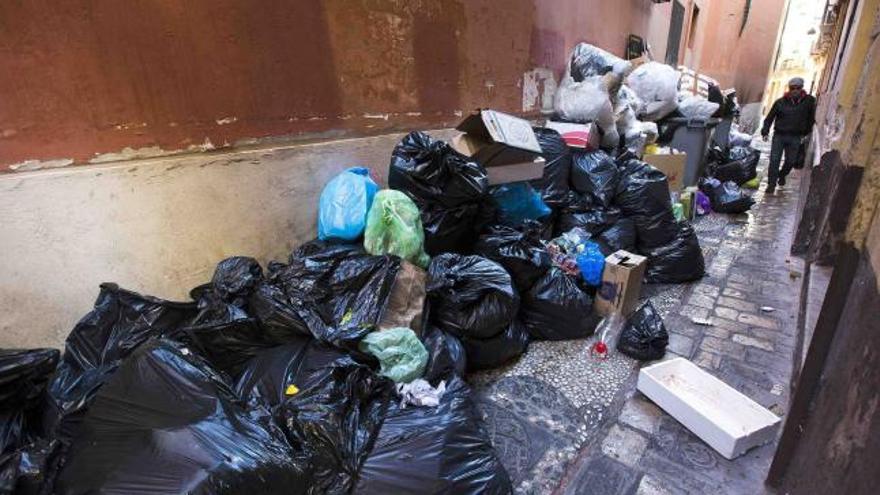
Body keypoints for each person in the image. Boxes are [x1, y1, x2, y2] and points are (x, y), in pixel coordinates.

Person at [760, 77, 816, 193]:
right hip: (779, 135)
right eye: (792, 88)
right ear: (789, 89)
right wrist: (765, 131)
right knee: (774, 160)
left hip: (796, 137)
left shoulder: (809, 101)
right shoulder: (780, 102)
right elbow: (770, 118)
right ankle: (771, 184)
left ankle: (782, 175)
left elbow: (811, 118)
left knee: (790, 161)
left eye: (798, 88)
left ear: (801, 89)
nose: (795, 90)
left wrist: (806, 132)